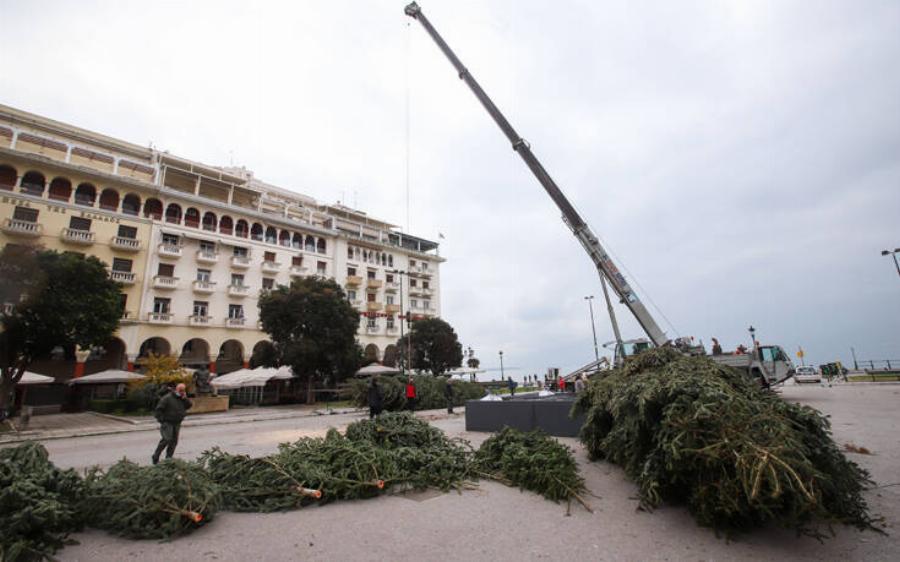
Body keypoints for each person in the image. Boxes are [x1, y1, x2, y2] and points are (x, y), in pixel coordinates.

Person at [152, 382, 192, 465]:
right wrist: (162, 420)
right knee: (166, 439)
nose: (182, 392)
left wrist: (185, 398)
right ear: (176, 389)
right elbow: (158, 410)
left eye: (183, 390)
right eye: (180, 390)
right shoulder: (167, 398)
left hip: (177, 422)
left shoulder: (182, 398)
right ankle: (156, 455)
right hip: (167, 422)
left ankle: (169, 458)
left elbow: (189, 405)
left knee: (174, 442)